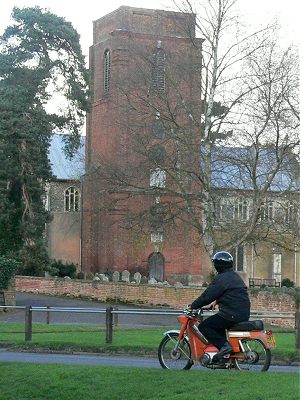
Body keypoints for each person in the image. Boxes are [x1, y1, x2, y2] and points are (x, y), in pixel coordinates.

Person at [188, 251, 250, 359]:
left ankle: (225, 346)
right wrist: (216, 302)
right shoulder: (235, 276)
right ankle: (223, 355)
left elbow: (207, 296)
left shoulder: (221, 278)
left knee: (204, 326)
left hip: (231, 314)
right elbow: (231, 294)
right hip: (243, 313)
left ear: (218, 265)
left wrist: (193, 306)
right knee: (218, 325)